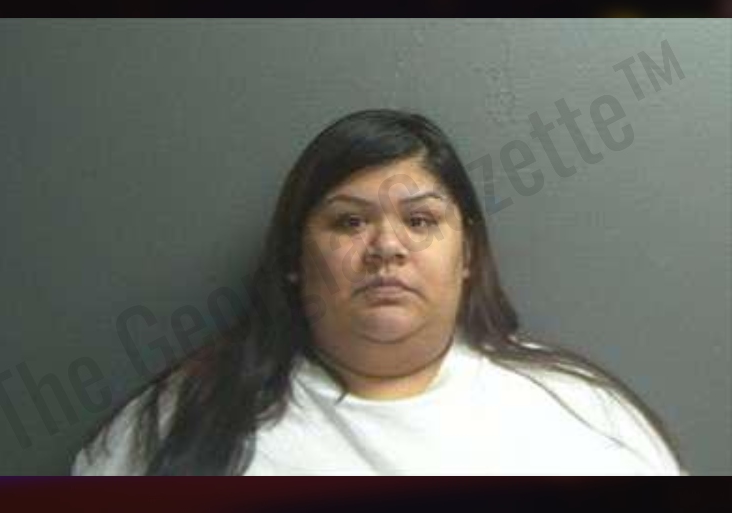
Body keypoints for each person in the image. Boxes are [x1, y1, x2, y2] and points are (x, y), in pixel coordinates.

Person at [71, 109, 687, 475]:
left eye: (420, 221)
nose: (387, 247)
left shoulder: (583, 418)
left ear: (467, 253)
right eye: (349, 222)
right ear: (294, 259)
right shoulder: (183, 421)